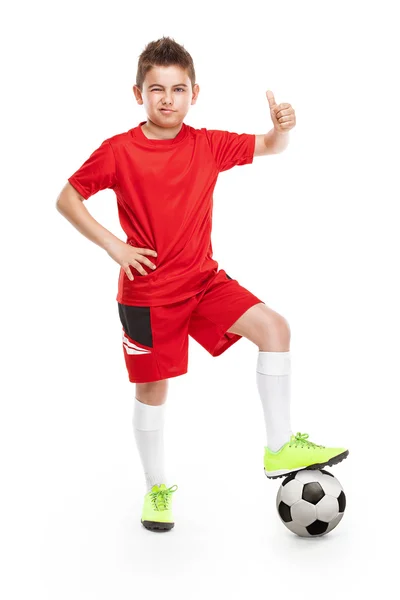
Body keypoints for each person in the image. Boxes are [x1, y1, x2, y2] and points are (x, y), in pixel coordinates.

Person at [56, 36, 349, 533]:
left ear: (195, 93)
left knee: (275, 329)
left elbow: (270, 147)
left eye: (178, 89)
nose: (167, 98)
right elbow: (67, 199)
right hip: (147, 293)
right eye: (156, 89)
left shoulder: (207, 144)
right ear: (138, 94)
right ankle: (155, 489)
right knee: (153, 391)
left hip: (202, 281)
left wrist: (282, 130)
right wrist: (115, 247)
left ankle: (279, 446)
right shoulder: (118, 151)